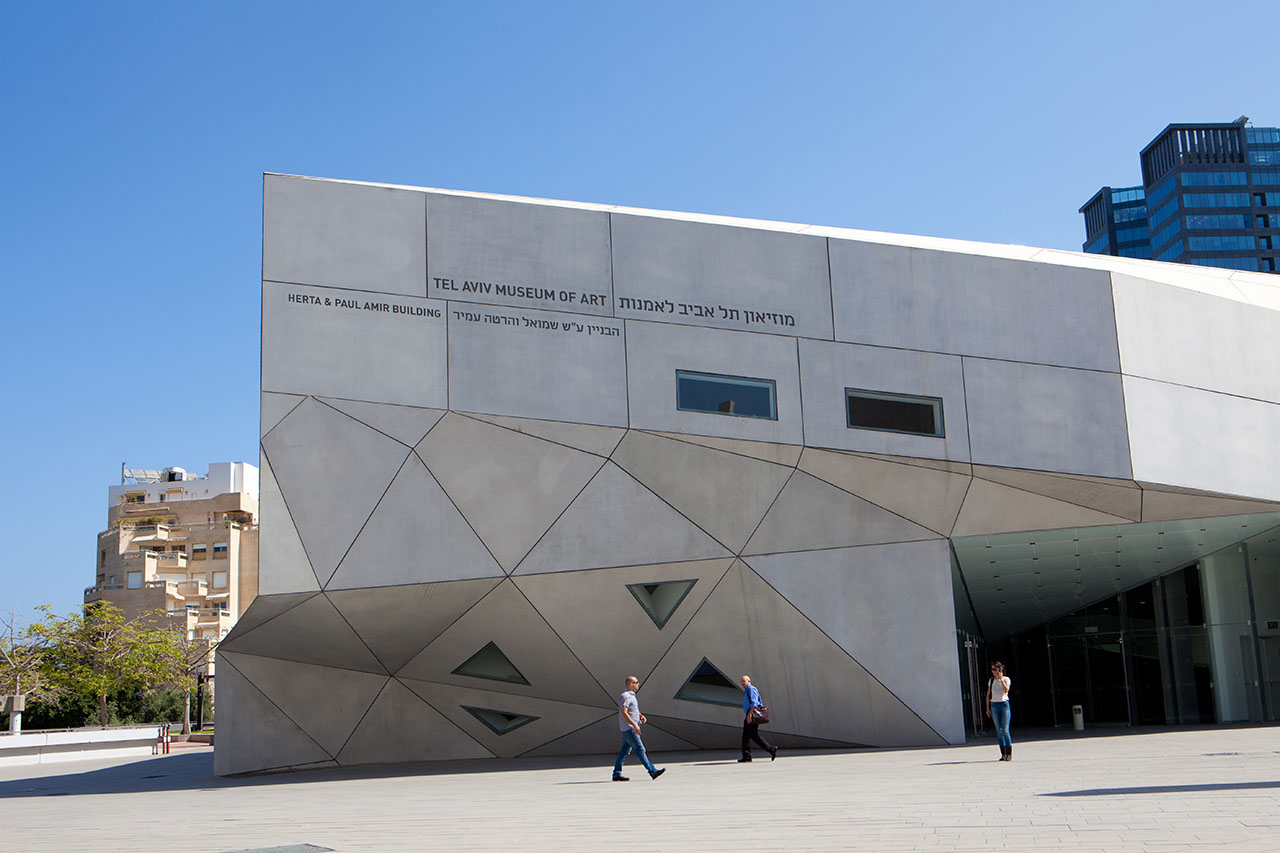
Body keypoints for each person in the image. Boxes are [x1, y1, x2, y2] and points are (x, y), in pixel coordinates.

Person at [613, 675, 665, 781]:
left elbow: (632, 709)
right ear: (631, 684)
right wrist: (635, 725)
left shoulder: (631, 696)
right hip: (630, 729)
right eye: (636, 682)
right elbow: (624, 712)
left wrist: (640, 715)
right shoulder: (627, 696)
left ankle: (616, 774)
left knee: (624, 752)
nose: (638, 684)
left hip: (627, 729)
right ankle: (652, 771)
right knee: (640, 749)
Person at [738, 675, 777, 762]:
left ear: (749, 681)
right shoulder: (747, 690)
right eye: (741, 681)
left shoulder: (751, 689)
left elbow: (754, 703)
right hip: (749, 714)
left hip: (752, 714)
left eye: (744, 681)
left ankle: (771, 749)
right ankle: (746, 756)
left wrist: (749, 715)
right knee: (746, 736)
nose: (742, 683)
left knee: (753, 735)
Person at [985, 661, 1012, 761]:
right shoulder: (991, 681)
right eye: (992, 669)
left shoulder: (1006, 679)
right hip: (994, 705)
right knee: (999, 731)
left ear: (1000, 670)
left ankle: (1009, 753)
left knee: (1005, 730)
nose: (994, 672)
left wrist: (1001, 679)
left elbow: (1006, 690)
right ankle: (1003, 753)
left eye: (995, 669)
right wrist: (987, 707)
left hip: (1004, 704)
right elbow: (988, 694)